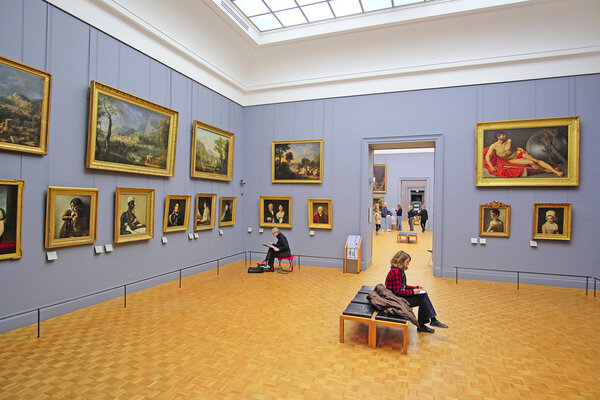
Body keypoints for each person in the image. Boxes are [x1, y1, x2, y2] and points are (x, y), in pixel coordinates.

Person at [385, 250, 448, 333]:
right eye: (407, 262)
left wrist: (416, 288)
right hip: (396, 300)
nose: (408, 264)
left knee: (423, 295)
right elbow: (398, 292)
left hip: (398, 297)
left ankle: (431, 321)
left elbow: (403, 286)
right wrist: (414, 291)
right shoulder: (396, 272)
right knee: (422, 299)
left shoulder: (399, 270)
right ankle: (428, 322)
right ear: (401, 261)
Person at [484, 132, 564, 178]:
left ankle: (555, 172)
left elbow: (515, 148)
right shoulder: (493, 146)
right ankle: (547, 170)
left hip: (518, 154)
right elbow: (487, 157)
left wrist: (520, 149)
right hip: (511, 159)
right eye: (502, 135)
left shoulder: (509, 141)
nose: (504, 136)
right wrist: (491, 166)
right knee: (531, 163)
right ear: (498, 137)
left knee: (535, 160)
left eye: (504, 134)